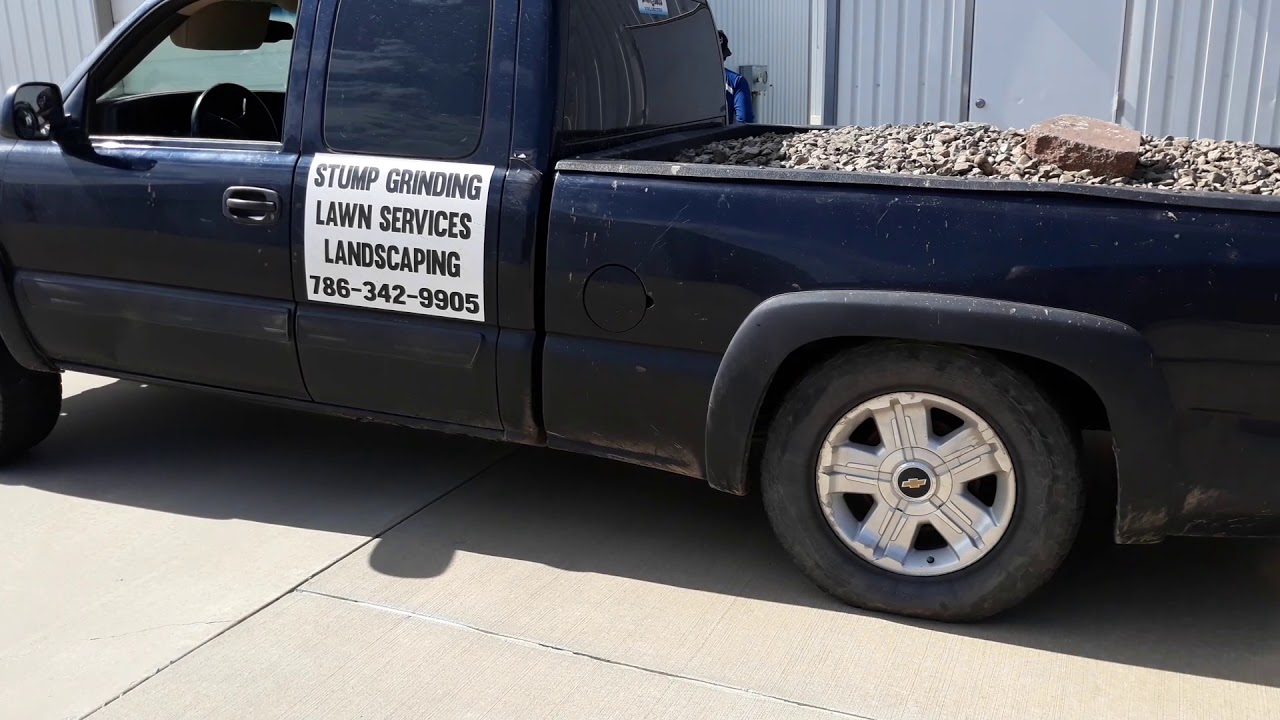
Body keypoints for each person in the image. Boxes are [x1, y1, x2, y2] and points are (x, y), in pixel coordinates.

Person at [718, 31, 755, 124]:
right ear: (725, 56)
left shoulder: (684, 80)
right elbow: (744, 121)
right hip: (719, 138)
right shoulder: (736, 81)